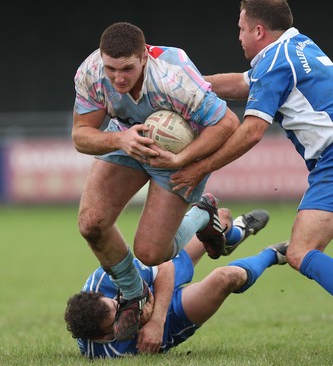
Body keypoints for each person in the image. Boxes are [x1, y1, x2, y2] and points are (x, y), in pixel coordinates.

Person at [154, 0, 333, 296]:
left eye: (241, 29)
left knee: (301, 251)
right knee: (305, 249)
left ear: (259, 31)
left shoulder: (276, 62)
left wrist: (200, 168)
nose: (238, 36)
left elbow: (251, 131)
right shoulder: (297, 46)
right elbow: (242, 83)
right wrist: (183, 85)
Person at [72, 22, 240, 340]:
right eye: (111, 68)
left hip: (182, 153)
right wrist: (120, 142)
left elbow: (228, 123)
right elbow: (81, 136)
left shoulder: (173, 78)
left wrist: (180, 159)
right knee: (91, 224)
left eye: (127, 69)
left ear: (144, 58)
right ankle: (134, 296)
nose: (118, 77)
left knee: (151, 254)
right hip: (127, 137)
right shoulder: (92, 72)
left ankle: (203, 214)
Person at [65, 198, 287, 358]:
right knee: (228, 277)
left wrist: (155, 320)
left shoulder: (108, 278)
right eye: (117, 322)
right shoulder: (109, 352)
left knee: (222, 217)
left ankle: (233, 235)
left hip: (159, 279)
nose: (126, 312)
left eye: (117, 305)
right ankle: (273, 255)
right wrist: (157, 324)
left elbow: (165, 268)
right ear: (103, 336)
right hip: (171, 319)